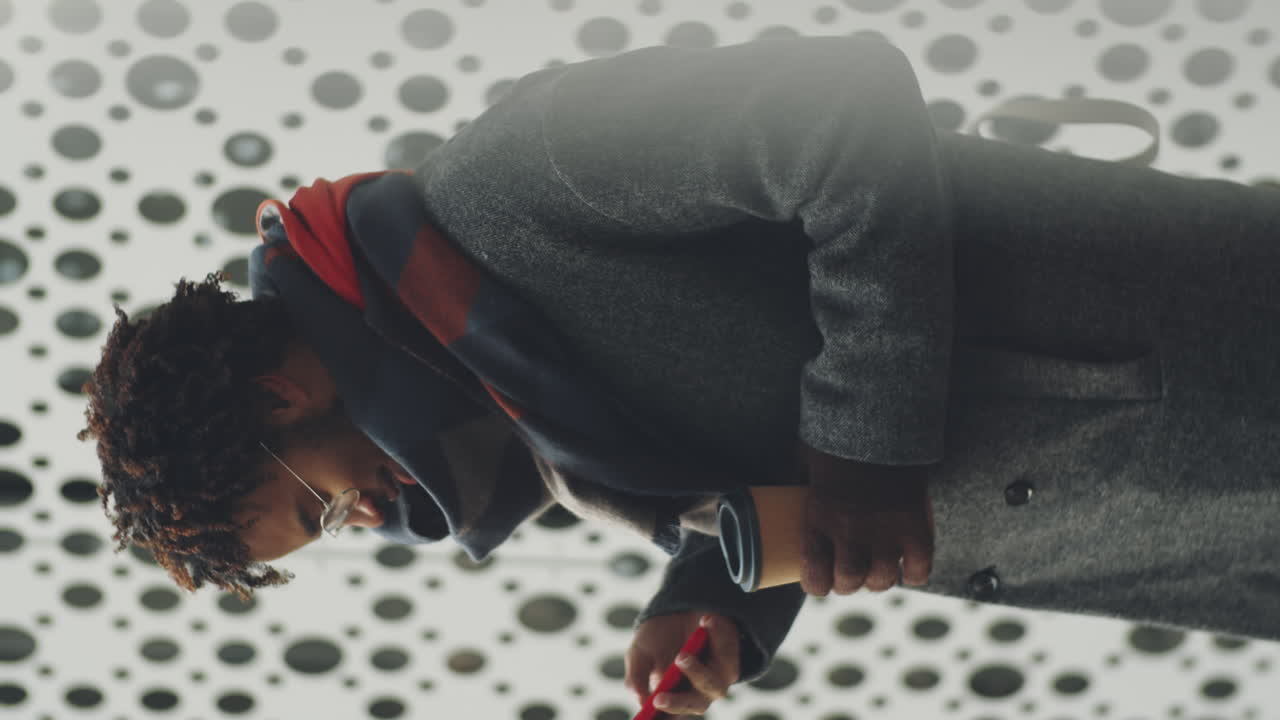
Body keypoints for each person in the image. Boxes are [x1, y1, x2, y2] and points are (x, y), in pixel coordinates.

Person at [78, 34, 1280, 717]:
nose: (364, 515)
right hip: (1195, 543)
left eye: (314, 503)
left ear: (282, 398)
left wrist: (864, 450)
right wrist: (709, 602)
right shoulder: (507, 425)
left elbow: (839, 108)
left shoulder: (518, 181)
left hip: (1213, 347)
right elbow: (758, 450)